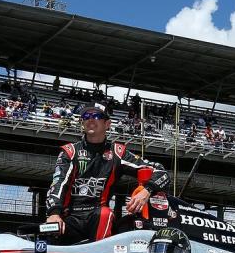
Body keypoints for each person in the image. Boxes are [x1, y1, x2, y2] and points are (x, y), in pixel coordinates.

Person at [45, 103, 169, 244]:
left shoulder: (118, 152)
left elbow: (161, 172)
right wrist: (54, 213)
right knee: (49, 230)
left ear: (107, 124)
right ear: (82, 122)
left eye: (96, 116)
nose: (90, 119)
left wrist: (146, 191)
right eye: (86, 116)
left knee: (105, 214)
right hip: (68, 218)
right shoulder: (69, 151)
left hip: (98, 218)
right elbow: (58, 183)